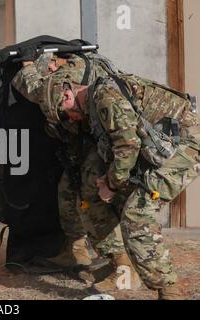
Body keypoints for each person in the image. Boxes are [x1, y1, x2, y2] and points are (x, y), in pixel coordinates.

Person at [45, 72, 199, 300]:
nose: (73, 120)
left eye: (67, 114)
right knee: (89, 194)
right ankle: (121, 265)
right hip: (158, 147)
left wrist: (112, 184)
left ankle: (170, 291)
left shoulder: (105, 97)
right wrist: (107, 180)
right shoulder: (97, 100)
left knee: (137, 215)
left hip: (185, 148)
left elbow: (128, 145)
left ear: (68, 94)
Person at [11, 47, 142, 289]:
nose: (47, 75)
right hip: (88, 145)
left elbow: (30, 87)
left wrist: (27, 66)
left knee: (90, 199)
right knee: (67, 192)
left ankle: (123, 267)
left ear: (51, 64)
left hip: (101, 147)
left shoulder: (68, 74)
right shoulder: (83, 66)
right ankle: (76, 251)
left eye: (47, 70)